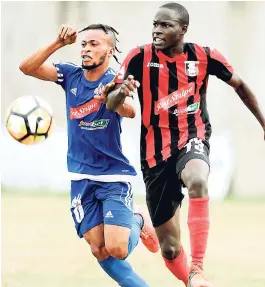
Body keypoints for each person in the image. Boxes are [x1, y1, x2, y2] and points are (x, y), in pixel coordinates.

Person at [101, 2, 265, 287]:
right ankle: (192, 279)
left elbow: (239, 84)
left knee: (198, 180)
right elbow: (112, 102)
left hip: (193, 136)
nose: (157, 30)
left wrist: (263, 122)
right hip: (154, 154)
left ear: (183, 29)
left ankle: (198, 269)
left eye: (165, 25)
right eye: (155, 24)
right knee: (170, 248)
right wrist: (121, 92)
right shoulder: (139, 57)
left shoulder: (204, 56)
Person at [19, 23, 159, 287]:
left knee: (117, 249)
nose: (86, 48)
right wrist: (58, 44)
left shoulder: (117, 80)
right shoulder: (70, 75)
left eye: (94, 44)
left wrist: (111, 97)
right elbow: (26, 67)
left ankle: (137, 219)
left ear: (110, 49)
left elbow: (130, 110)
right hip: (80, 177)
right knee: (99, 250)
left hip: (113, 177)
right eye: (84, 44)